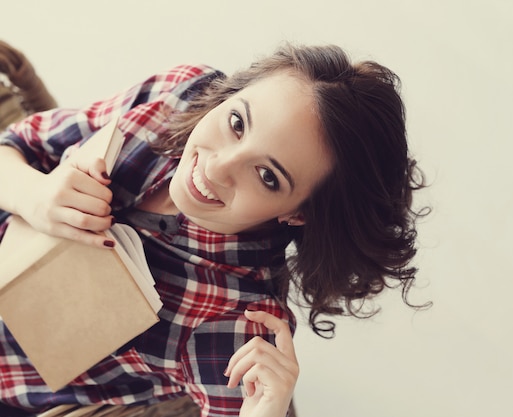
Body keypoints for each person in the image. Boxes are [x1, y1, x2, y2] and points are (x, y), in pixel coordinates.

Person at [0, 43, 428, 417]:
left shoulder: (239, 323)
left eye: (267, 176)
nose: (218, 167)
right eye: (238, 123)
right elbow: (17, 143)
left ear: (300, 214)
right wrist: (32, 196)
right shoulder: (179, 98)